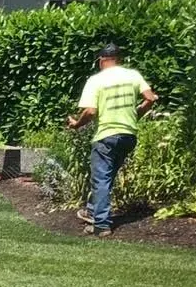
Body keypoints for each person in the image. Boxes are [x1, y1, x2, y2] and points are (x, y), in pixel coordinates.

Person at [67, 44, 158, 237]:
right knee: (107, 177)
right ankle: (92, 210)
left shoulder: (96, 80)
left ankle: (101, 225)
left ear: (101, 60)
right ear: (119, 59)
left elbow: (91, 111)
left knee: (100, 179)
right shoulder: (133, 75)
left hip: (106, 136)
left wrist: (76, 124)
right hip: (128, 135)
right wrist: (135, 115)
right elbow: (150, 98)